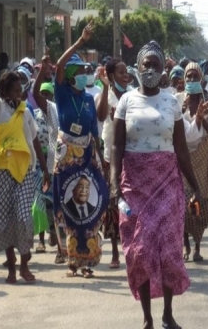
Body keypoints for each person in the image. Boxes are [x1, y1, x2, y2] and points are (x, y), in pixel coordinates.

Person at [111, 40, 201, 329]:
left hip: (167, 183)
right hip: (134, 184)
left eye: (155, 64)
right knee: (140, 250)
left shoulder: (171, 101)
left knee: (169, 250)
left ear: (163, 70)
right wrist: (114, 185)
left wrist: (195, 186)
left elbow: (181, 149)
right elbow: (117, 147)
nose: (149, 69)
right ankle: (148, 317)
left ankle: (168, 314)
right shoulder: (126, 101)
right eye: (145, 64)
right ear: (137, 67)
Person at [0, 30, 50, 284]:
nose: (17, 92)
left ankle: (24, 266)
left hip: (25, 171)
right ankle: (11, 269)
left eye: (19, 88)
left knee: (24, 217)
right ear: (4, 91)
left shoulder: (26, 112)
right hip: (3, 170)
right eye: (12, 89)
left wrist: (44, 169)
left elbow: (34, 140)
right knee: (5, 218)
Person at [53, 22, 109, 279]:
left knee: (89, 206)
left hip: (86, 155)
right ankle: (71, 260)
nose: (85, 75)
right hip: (66, 158)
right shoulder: (62, 93)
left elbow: (94, 131)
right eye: (81, 70)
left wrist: (99, 158)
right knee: (68, 206)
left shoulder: (87, 97)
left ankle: (87, 262)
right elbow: (60, 66)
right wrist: (79, 42)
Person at [179, 62, 208, 262]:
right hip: (184, 155)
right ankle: (185, 244)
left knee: (201, 201)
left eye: (195, 77)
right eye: (189, 77)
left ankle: (197, 246)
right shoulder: (177, 101)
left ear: (201, 79)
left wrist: (202, 118)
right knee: (183, 202)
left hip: (202, 154)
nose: (192, 80)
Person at [96, 57, 129, 269]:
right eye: (120, 72)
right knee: (112, 204)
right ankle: (115, 251)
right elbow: (100, 116)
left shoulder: (133, 96)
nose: (125, 76)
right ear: (110, 76)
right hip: (110, 158)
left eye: (126, 72)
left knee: (130, 204)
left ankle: (131, 248)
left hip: (131, 156)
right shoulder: (104, 97)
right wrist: (106, 88)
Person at [32, 61, 62, 263]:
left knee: (60, 208)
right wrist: (42, 73)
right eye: (43, 94)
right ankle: (43, 240)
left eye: (48, 93)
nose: (45, 97)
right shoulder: (42, 112)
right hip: (45, 164)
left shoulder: (62, 109)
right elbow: (34, 95)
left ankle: (62, 247)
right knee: (42, 204)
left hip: (64, 163)